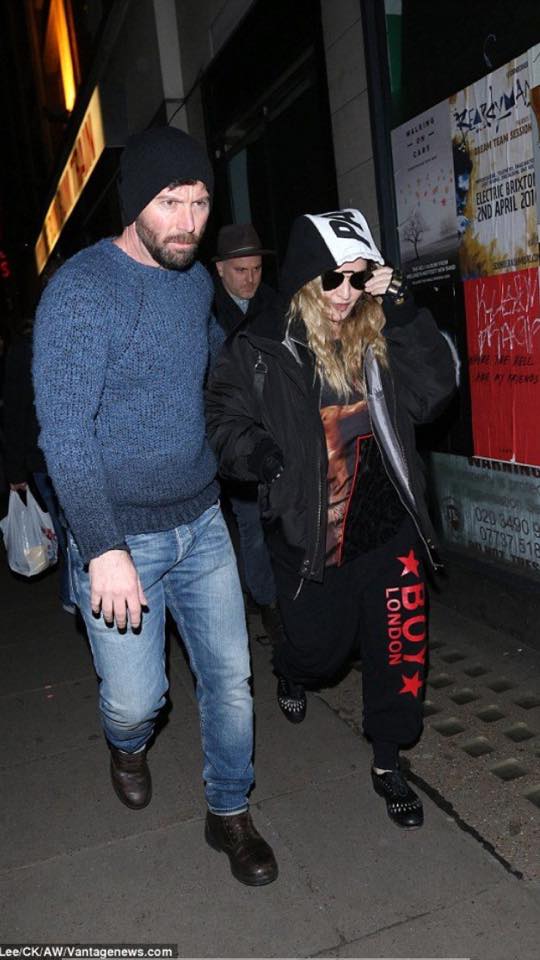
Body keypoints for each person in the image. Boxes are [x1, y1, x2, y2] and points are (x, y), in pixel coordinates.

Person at [33, 126, 277, 886]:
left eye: (200, 203)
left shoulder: (195, 282)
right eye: (171, 202)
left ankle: (229, 811)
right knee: (139, 700)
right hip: (120, 536)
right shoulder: (82, 293)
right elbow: (65, 433)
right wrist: (103, 547)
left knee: (231, 680)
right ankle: (127, 744)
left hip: (201, 521)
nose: (188, 222)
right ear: (136, 201)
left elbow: (210, 372)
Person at [206, 207, 457, 830]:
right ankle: (291, 668)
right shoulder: (263, 346)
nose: (346, 293)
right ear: (303, 277)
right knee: (319, 654)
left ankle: (388, 761)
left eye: (359, 277)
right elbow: (223, 420)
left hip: (390, 528)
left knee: (399, 649)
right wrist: (261, 455)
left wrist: (401, 310)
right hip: (314, 533)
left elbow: (434, 394)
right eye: (332, 279)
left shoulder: (380, 332)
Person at [213, 223, 280, 639]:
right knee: (249, 523)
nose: (250, 279)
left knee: (276, 522)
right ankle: (265, 601)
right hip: (230, 434)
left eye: (256, 269)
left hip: (272, 430)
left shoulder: (274, 304)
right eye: (241, 270)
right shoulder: (204, 313)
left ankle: (274, 595)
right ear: (220, 269)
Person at [3, 323, 73, 611]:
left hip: (61, 455)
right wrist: (15, 470)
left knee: (73, 530)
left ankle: (73, 595)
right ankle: (72, 595)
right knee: (67, 531)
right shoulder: (26, 349)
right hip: (44, 458)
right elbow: (14, 412)